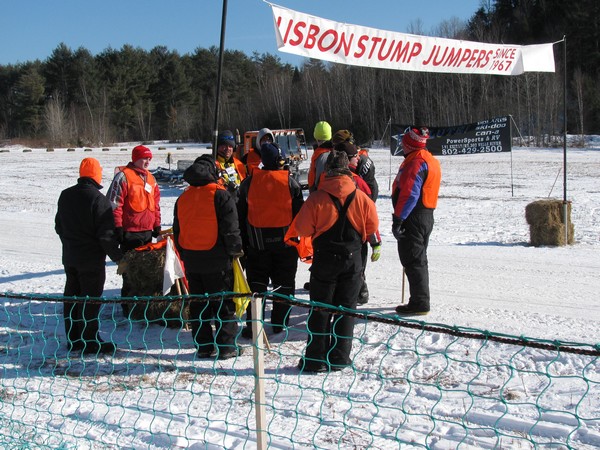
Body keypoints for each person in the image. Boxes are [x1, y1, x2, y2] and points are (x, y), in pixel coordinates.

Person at [292, 150, 380, 373]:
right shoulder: (362, 198)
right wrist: (375, 246)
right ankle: (339, 358)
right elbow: (372, 230)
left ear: (328, 171)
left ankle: (315, 359)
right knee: (346, 309)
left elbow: (301, 229)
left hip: (325, 261)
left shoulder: (316, 199)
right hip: (352, 261)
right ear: (348, 171)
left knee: (320, 309)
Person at [173, 154, 244, 359]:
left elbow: (178, 230)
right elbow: (231, 227)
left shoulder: (183, 197)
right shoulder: (220, 195)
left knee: (199, 307)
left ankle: (204, 346)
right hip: (218, 259)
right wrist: (235, 251)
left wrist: (185, 253)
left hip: (193, 261)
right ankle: (226, 347)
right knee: (223, 304)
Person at [55, 158, 123, 355]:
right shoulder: (99, 200)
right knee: (90, 300)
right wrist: (118, 257)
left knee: (72, 298)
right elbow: (106, 236)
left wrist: (69, 243)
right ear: (96, 175)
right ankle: (90, 341)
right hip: (91, 260)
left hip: (70, 257)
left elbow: (59, 225)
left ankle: (74, 339)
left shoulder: (65, 195)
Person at [237, 142, 305, 338]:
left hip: (256, 247)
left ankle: (253, 325)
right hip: (286, 247)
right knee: (284, 286)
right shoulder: (290, 183)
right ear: (280, 160)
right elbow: (300, 214)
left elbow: (240, 216)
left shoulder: (248, 183)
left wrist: (243, 242)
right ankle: (279, 323)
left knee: (256, 288)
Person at [391, 126, 442, 316]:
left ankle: (419, 302)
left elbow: (410, 194)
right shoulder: (428, 159)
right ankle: (419, 299)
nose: (402, 147)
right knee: (418, 260)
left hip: (414, 215)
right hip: (425, 214)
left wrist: (398, 219)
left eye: (404, 143)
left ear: (409, 144)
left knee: (413, 260)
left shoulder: (416, 162)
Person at [107, 145, 161, 313]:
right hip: (129, 233)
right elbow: (115, 204)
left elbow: (156, 205)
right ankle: (128, 306)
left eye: (149, 159)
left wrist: (157, 225)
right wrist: (118, 227)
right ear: (135, 158)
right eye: (144, 158)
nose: (147, 161)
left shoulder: (151, 179)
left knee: (145, 272)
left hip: (146, 233)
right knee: (130, 272)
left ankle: (142, 306)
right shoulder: (123, 177)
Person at [335, 141, 382, 305]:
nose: (358, 159)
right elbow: (369, 214)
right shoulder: (358, 183)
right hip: (356, 236)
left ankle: (359, 291)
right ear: (347, 160)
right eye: (355, 156)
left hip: (331, 238)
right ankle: (357, 294)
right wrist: (375, 241)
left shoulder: (325, 180)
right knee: (356, 268)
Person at [215, 130, 247, 199]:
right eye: (224, 145)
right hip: (223, 203)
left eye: (230, 146)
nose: (227, 148)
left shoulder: (239, 164)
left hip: (240, 203)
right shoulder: (213, 165)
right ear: (217, 146)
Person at [307, 121, 333, 192]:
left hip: (320, 195)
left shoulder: (321, 156)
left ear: (316, 137)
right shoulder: (332, 152)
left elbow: (319, 180)